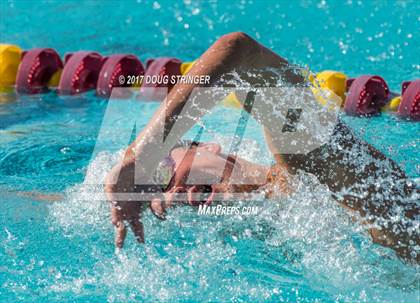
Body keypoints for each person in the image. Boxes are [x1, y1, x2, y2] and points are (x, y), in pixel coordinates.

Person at [105, 32, 418, 262]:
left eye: (165, 177)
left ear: (209, 147)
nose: (177, 193)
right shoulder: (280, 245)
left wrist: (142, 157)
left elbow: (240, 55)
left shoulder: (303, 163)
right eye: (165, 200)